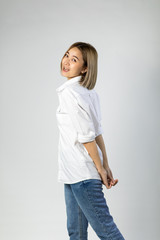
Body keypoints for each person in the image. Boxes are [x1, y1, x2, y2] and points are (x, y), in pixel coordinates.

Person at [56, 42, 125, 240]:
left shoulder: (70, 93)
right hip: (73, 174)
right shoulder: (89, 94)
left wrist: (102, 169)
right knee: (76, 233)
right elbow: (97, 133)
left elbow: (88, 137)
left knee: (106, 231)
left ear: (85, 68)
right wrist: (104, 165)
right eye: (67, 55)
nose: (66, 62)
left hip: (82, 175)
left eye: (74, 60)